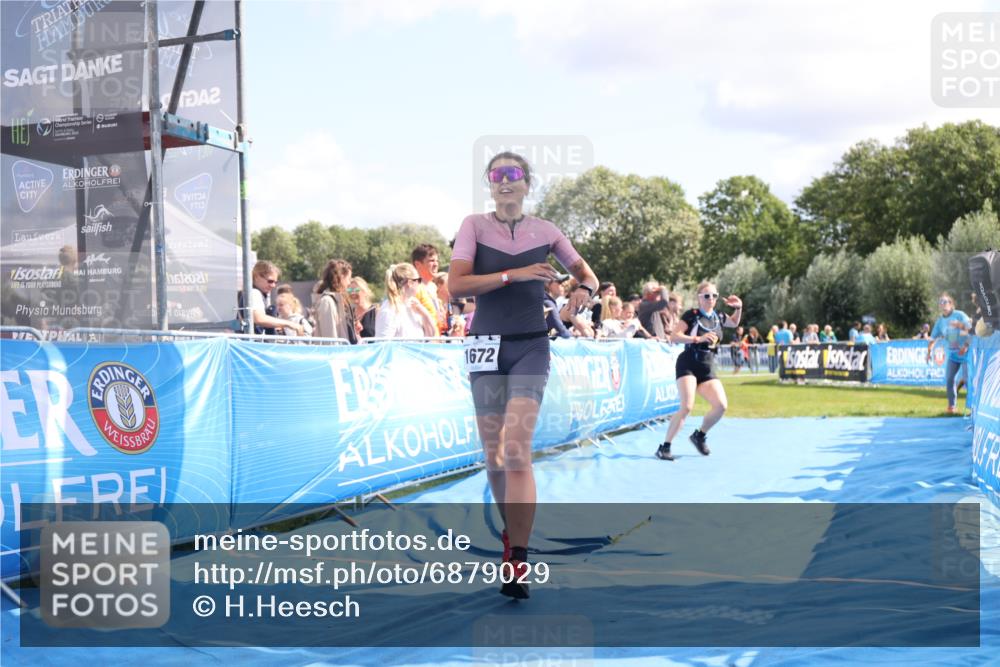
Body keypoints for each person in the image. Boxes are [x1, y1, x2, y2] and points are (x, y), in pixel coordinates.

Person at [449, 151, 598, 599]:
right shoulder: (473, 225)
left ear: (527, 184)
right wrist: (513, 275)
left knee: (516, 448)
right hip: (484, 346)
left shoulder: (547, 232)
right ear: (489, 184)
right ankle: (512, 536)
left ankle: (518, 558)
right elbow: (456, 286)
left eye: (513, 175)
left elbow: (586, 274)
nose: (505, 182)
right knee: (494, 455)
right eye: (497, 175)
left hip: (532, 345)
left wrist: (582, 295)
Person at [656, 281, 742, 461]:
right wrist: (698, 338)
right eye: (707, 296)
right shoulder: (692, 315)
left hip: (707, 363)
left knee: (721, 406)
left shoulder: (718, 315)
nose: (711, 299)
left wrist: (739, 307)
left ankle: (699, 435)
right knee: (687, 406)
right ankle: (665, 447)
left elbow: (733, 322)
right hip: (688, 361)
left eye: (714, 296)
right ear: (699, 298)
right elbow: (674, 336)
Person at [927, 292, 971, 415]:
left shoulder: (960, 315)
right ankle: (952, 407)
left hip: (966, 353)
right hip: (953, 355)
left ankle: (973, 408)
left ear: (951, 304)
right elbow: (932, 338)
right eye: (941, 302)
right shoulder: (940, 322)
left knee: (968, 380)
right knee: (949, 379)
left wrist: (966, 345)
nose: (943, 304)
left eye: (945, 301)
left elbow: (972, 330)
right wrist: (928, 352)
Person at [242, 260, 304, 336]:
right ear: (257, 277)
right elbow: (259, 318)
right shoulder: (254, 293)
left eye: (275, 282)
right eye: (270, 281)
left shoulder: (252, 293)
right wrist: (290, 324)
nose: (273, 285)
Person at [375, 263, 437, 338]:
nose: (420, 284)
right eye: (419, 280)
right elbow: (382, 345)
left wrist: (424, 314)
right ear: (410, 283)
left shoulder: (413, 305)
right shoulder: (389, 310)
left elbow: (430, 336)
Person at [314, 259, 358, 343]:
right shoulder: (327, 302)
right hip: (335, 354)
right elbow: (330, 339)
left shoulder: (338, 301)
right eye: (349, 278)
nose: (349, 283)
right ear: (341, 277)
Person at [412, 244, 447, 335]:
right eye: (431, 261)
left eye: (437, 261)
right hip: (423, 343)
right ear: (418, 264)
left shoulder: (434, 287)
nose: (436, 264)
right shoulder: (413, 288)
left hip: (437, 341)